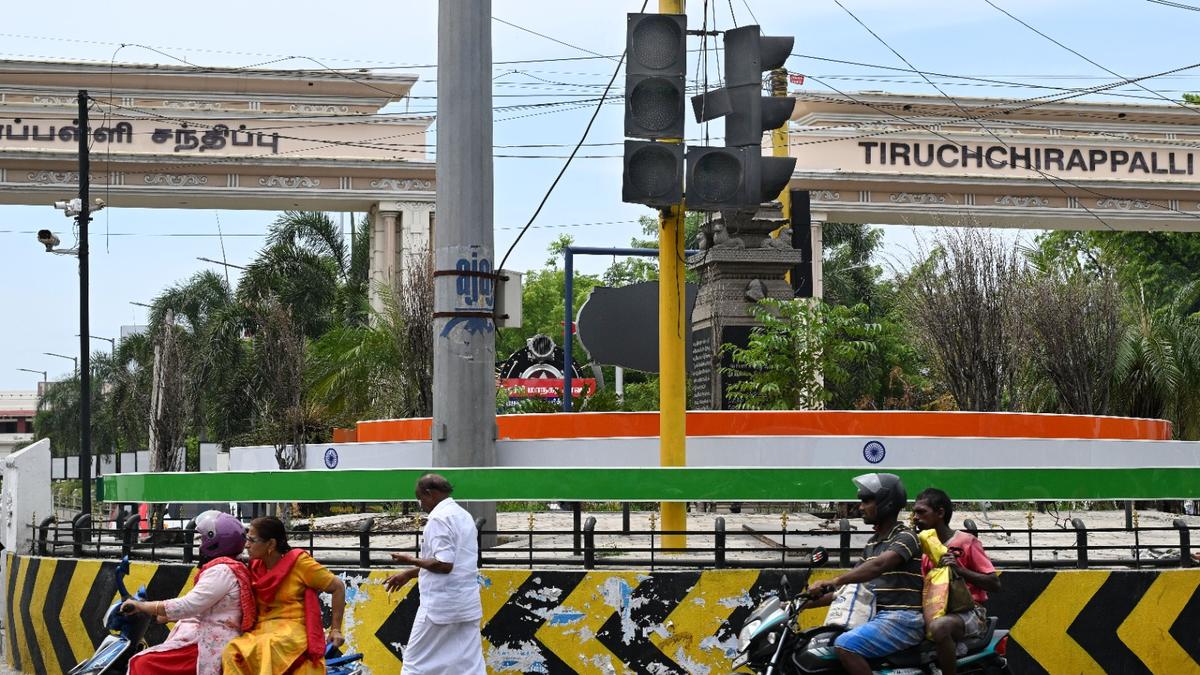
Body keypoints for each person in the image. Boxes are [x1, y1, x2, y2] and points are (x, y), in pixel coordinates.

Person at [809, 473, 925, 675]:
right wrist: (795, 604)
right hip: (874, 617)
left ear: (886, 503)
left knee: (845, 644)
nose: (860, 507)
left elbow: (879, 565)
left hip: (902, 619)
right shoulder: (872, 543)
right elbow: (848, 588)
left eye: (866, 501)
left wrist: (835, 580)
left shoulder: (906, 537)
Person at [123, 510, 255, 675]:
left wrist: (142, 606)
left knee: (142, 663)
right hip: (208, 636)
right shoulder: (231, 566)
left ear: (215, 542)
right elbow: (204, 604)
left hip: (209, 642)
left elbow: (188, 605)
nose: (201, 544)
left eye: (204, 539)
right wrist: (168, 615)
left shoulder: (221, 572)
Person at [384, 473, 486, 675]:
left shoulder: (439, 519)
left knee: (414, 664)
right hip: (467, 605)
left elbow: (444, 564)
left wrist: (410, 560)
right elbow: (455, 563)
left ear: (430, 494)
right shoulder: (463, 516)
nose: (421, 504)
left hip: (440, 608)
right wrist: (409, 574)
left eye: (420, 498)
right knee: (469, 665)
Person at [222, 516, 347, 675]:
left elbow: (338, 587)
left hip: (292, 630)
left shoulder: (299, 563)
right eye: (247, 539)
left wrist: (336, 629)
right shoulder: (254, 566)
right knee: (231, 651)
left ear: (271, 544)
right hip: (261, 629)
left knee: (268, 647)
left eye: (252, 540)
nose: (247, 545)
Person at [913, 488, 1001, 675]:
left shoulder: (967, 542)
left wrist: (960, 570)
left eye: (921, 512)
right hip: (935, 610)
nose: (915, 517)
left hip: (970, 612)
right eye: (914, 512)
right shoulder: (924, 549)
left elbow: (994, 583)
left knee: (939, 627)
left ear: (940, 513)